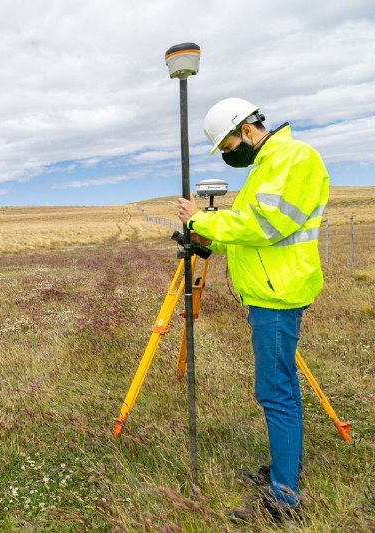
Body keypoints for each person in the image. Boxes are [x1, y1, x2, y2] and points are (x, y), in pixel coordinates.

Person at [176, 97, 330, 522]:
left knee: (275, 392)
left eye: (227, 147)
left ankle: (285, 499)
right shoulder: (265, 167)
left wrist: (201, 220)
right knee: (281, 387)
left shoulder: (295, 158)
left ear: (246, 130)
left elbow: (266, 225)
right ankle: (286, 470)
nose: (229, 155)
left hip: (278, 295)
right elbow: (247, 238)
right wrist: (208, 241)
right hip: (268, 291)